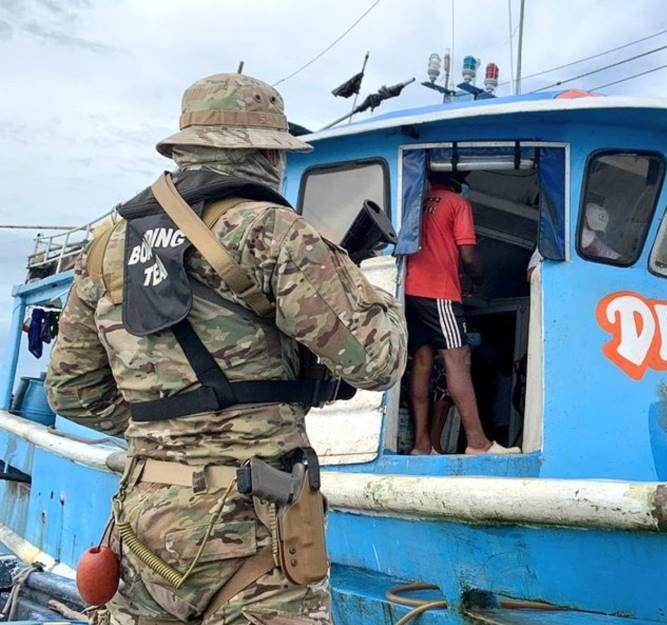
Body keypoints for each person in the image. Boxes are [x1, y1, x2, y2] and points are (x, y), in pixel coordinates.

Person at [45, 72, 407, 625]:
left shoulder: (106, 247)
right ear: (265, 152)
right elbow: (378, 361)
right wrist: (374, 296)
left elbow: (71, 393)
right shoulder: (271, 231)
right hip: (259, 525)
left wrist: (175, 436)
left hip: (144, 524)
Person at [404, 172, 517, 455]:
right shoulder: (457, 203)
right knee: (458, 359)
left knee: (422, 361)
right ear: (460, 181)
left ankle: (421, 445)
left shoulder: (415, 203)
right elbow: (468, 255)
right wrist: (478, 281)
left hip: (410, 289)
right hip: (439, 292)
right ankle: (478, 442)